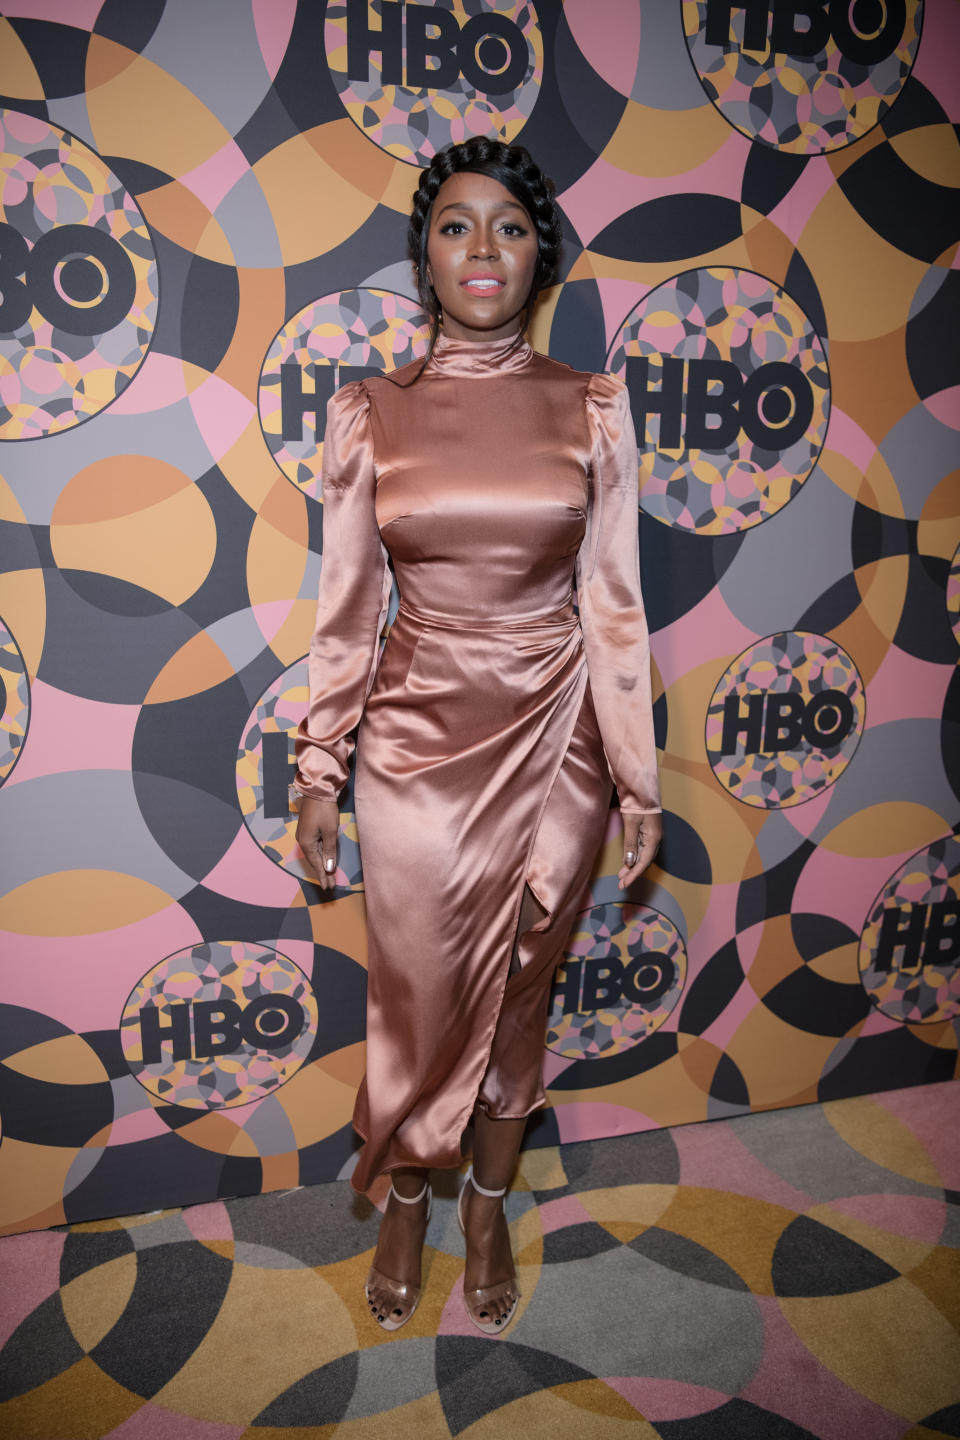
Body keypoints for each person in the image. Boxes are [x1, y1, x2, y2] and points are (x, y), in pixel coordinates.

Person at [294, 137, 662, 1337]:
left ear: (538, 254)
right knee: (415, 997)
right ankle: (405, 1196)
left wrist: (638, 779)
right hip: (411, 750)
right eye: (456, 225)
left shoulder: (592, 407)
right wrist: (319, 768)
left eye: (508, 225)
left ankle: (489, 1206)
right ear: (425, 254)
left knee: (518, 1003)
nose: (483, 249)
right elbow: (348, 613)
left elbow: (612, 604)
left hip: (559, 738)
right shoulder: (370, 414)